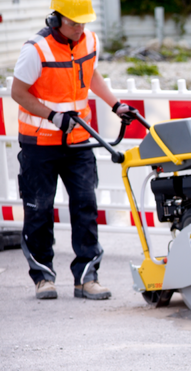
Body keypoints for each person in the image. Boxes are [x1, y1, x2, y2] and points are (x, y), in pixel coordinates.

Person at [11, 0, 133, 301]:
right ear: (56, 19)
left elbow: (90, 75)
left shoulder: (89, 40)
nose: (80, 29)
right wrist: (52, 115)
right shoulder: (35, 49)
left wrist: (115, 105)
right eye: (73, 23)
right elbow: (18, 92)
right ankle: (43, 277)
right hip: (39, 143)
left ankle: (87, 277)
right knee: (39, 210)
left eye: (83, 22)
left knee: (86, 206)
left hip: (78, 140)